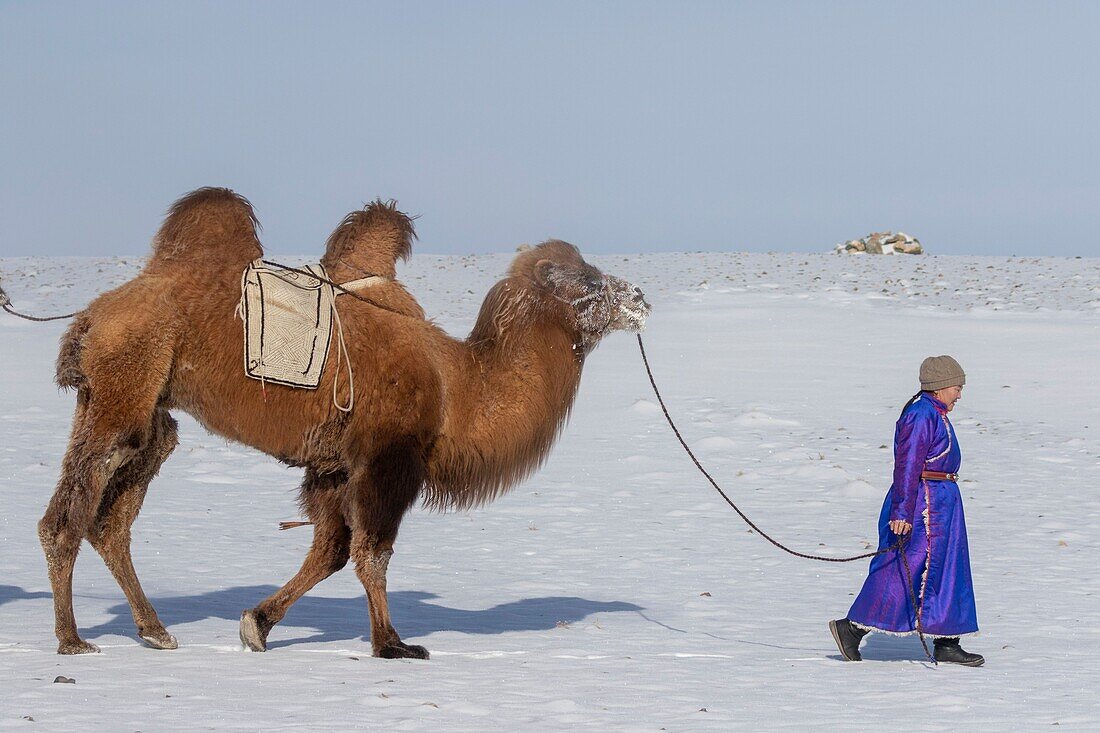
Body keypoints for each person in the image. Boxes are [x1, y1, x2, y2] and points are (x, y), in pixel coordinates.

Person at [830, 355, 983, 666]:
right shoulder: (920, 415)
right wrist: (901, 511)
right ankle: (852, 629)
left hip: (943, 503)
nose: (959, 394)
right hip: (920, 505)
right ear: (940, 387)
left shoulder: (937, 412)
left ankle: (947, 641)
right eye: (957, 387)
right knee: (903, 567)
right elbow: (907, 465)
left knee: (949, 571)